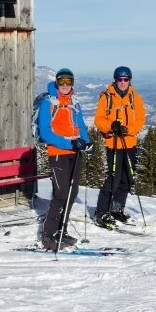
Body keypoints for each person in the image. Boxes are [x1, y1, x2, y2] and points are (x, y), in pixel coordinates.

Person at [36, 68, 92, 250]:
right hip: (58, 154)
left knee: (71, 194)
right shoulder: (49, 103)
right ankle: (48, 233)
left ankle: (62, 230)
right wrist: (70, 144)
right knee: (60, 194)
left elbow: (81, 127)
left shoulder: (75, 103)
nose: (66, 85)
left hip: (75, 154)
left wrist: (87, 142)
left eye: (69, 82)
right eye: (62, 82)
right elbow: (46, 133)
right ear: (57, 83)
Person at [94, 66, 147, 228]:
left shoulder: (134, 98)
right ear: (115, 80)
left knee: (126, 179)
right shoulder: (107, 97)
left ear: (129, 80)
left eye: (126, 79)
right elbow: (98, 119)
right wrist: (111, 126)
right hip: (114, 144)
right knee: (113, 177)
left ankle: (117, 208)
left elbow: (140, 119)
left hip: (130, 143)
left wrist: (128, 130)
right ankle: (102, 212)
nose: (123, 82)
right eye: (120, 79)